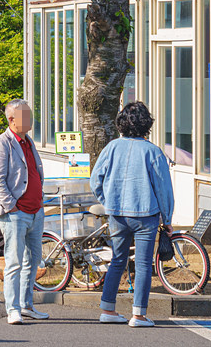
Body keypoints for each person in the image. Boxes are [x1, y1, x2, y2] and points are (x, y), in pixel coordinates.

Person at [90, 101, 175, 328]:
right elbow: (163, 189)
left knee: (117, 260)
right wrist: (167, 218)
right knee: (144, 264)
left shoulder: (111, 148)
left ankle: (108, 309)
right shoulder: (153, 152)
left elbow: (95, 180)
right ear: (146, 124)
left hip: (117, 214)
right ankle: (138, 315)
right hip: (145, 214)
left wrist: (107, 201)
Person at [0, 99, 48, 326]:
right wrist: (11, 205)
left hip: (35, 210)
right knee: (14, 262)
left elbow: (34, 172)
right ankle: (12, 309)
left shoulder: (28, 141)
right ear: (11, 119)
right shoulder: (1, 144)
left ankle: (26, 305)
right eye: (26, 115)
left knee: (33, 260)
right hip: (15, 213)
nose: (31, 119)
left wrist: (39, 201)